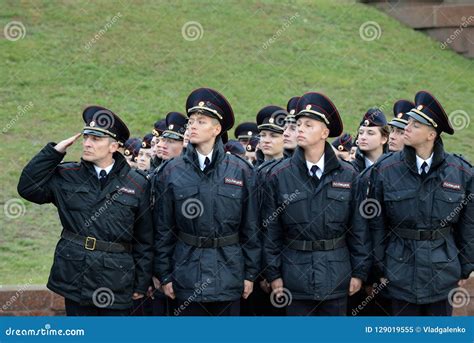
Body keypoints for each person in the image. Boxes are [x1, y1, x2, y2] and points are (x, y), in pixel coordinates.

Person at [17, 105, 153, 316]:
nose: (87, 143)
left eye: (96, 139)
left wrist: (142, 282)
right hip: (75, 275)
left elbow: (145, 237)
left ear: (113, 146)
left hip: (116, 278)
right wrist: (54, 152)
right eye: (86, 137)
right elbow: (27, 188)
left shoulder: (137, 183)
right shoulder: (67, 175)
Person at [154, 88, 260, 316]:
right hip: (186, 275)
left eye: (201, 121)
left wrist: (250, 274)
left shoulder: (240, 170)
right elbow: (163, 229)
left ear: (216, 129)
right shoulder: (171, 171)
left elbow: (251, 227)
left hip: (229, 274)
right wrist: (164, 274)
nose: (192, 126)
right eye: (191, 121)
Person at [262, 92, 370, 316]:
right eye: (298, 124)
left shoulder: (348, 175)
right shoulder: (279, 175)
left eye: (308, 125)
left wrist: (359, 272)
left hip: (336, 275)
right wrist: (273, 274)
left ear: (325, 132)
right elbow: (271, 230)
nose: (300, 129)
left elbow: (359, 228)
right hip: (294, 276)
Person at [367, 91, 473, 316]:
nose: (407, 127)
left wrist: (464, 267)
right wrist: (380, 267)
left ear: (431, 134)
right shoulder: (385, 170)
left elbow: (469, 226)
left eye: (415, 125)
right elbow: (376, 224)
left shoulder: (460, 172)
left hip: (442, 274)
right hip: (399, 272)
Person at [352, 108, 390, 172]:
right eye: (361, 133)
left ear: (384, 139)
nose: (363, 137)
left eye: (370, 133)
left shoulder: (393, 168)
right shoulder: (351, 170)